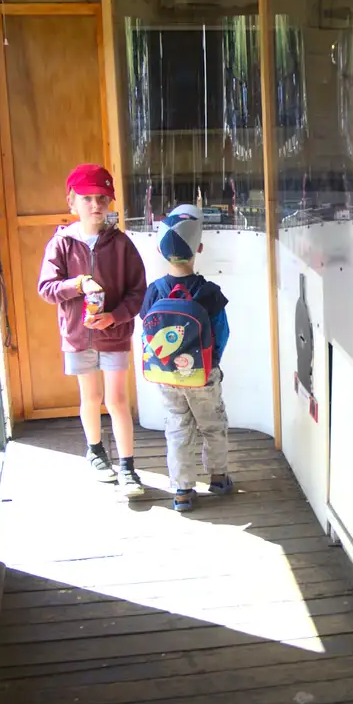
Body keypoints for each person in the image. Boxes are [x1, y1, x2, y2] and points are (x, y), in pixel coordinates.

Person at [38, 163, 148, 495]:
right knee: (91, 397)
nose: (96, 205)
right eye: (87, 198)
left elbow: (137, 291)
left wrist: (115, 317)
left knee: (116, 399)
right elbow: (46, 288)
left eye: (103, 198)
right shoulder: (61, 243)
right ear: (71, 201)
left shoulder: (122, 244)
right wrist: (77, 284)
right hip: (77, 335)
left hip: (114, 336)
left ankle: (128, 468)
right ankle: (96, 451)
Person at [140, 205, 232, 512]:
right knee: (212, 425)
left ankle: (181, 490)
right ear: (199, 248)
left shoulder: (154, 292)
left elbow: (146, 333)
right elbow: (222, 332)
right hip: (203, 374)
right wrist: (211, 361)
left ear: (159, 250)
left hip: (166, 376)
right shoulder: (210, 292)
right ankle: (218, 477)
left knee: (177, 428)